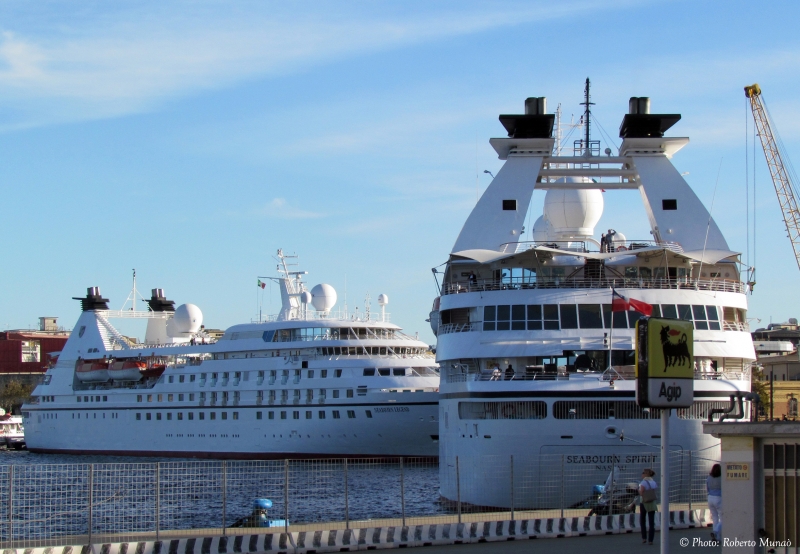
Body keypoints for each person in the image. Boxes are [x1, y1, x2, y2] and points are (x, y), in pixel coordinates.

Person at [639, 468, 658, 545]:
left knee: (642, 520)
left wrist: (638, 490)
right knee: (651, 521)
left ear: (645, 474)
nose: (642, 474)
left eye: (643, 473)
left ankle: (644, 538)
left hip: (644, 502)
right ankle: (651, 540)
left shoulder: (643, 482)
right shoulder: (653, 482)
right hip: (652, 502)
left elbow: (641, 493)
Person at [707, 464, 722, 542]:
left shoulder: (709, 477)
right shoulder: (721, 478)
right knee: (723, 518)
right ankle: (715, 532)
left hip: (710, 498)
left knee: (715, 517)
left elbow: (707, 488)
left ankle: (716, 538)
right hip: (719, 498)